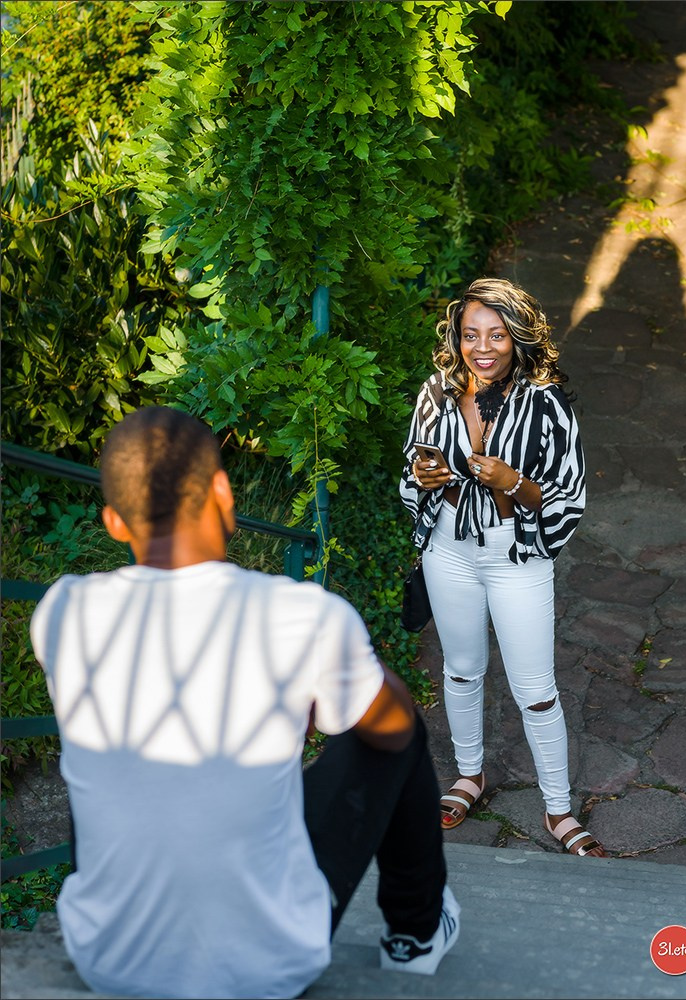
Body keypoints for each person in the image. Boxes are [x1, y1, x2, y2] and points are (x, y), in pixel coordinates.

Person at [30, 406, 461, 1000]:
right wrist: (331, 680)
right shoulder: (301, 615)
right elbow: (388, 729)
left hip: (107, 959)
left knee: (105, 734)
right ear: (224, 492)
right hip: (267, 966)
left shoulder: (63, 612)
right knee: (397, 722)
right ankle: (416, 933)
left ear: (113, 522)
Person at [399, 276, 607, 858]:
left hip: (517, 558)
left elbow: (570, 493)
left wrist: (514, 484)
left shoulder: (548, 404)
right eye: (470, 335)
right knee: (461, 670)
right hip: (449, 551)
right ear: (457, 338)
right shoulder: (436, 393)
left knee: (535, 689)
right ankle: (470, 776)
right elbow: (409, 472)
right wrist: (425, 479)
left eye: (496, 335)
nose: (482, 348)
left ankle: (559, 810)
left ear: (517, 338)